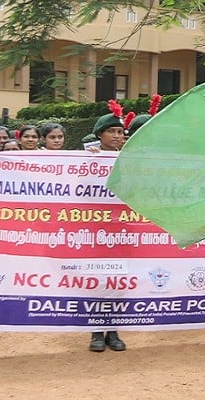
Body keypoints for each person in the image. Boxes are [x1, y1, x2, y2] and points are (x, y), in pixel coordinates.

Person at [88, 111, 127, 351]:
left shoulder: (128, 159)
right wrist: (91, 159)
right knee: (96, 280)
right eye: (111, 131)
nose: (116, 136)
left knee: (118, 281)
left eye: (119, 132)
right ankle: (95, 332)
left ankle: (113, 331)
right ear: (99, 134)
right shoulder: (89, 157)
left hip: (123, 229)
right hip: (96, 228)